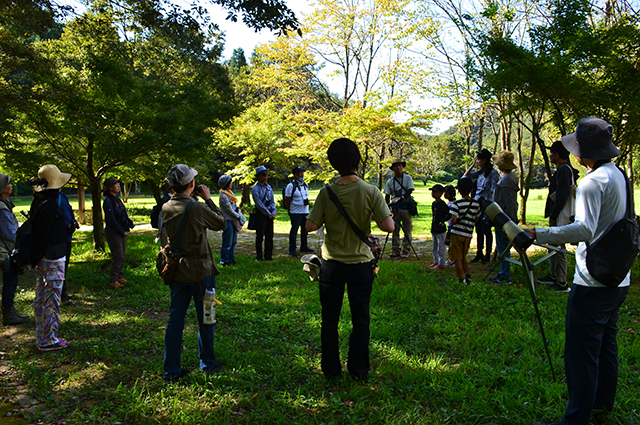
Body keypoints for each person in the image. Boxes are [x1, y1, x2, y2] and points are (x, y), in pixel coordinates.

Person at [524, 117, 630, 425]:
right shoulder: (619, 175)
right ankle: (602, 405)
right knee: (606, 344)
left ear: (585, 152)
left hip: (592, 280)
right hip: (619, 275)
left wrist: (537, 234)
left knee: (581, 352)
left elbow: (584, 229)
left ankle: (576, 419)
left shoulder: (592, 182)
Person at [305, 138, 394, 382]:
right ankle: (358, 371)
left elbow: (311, 225)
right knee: (360, 319)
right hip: (361, 266)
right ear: (357, 161)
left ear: (334, 163)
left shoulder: (326, 193)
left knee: (330, 320)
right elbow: (389, 226)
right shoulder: (371, 191)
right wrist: (373, 214)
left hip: (331, 265)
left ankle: (331, 370)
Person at [162, 164, 226, 382]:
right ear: (191, 184)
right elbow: (221, 223)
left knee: (175, 321)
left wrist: (194, 199)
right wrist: (207, 198)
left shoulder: (166, 207)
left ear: (171, 186)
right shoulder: (197, 208)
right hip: (201, 272)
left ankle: (171, 370)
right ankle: (207, 363)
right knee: (206, 318)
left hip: (177, 271)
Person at [31, 165, 72, 351]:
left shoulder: (38, 202)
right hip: (53, 258)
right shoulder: (51, 205)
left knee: (41, 296)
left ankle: (42, 335)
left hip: (42, 259)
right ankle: (49, 339)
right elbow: (47, 233)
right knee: (52, 298)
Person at [537, 141, 579, 293]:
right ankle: (553, 275)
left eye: (551, 153)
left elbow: (561, 196)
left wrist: (554, 215)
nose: (550, 156)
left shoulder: (564, 170)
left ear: (557, 154)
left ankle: (562, 282)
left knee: (559, 247)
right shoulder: (564, 170)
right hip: (559, 212)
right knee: (552, 244)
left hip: (562, 213)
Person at [0, 173, 29, 326]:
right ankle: (8, 313)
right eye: (8, 184)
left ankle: (9, 310)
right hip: (5, 251)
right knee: (10, 280)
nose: (11, 186)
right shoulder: (2, 208)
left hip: (5, 249)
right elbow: (9, 233)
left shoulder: (5, 203)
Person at [464, 148, 499, 263]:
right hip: (477, 204)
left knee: (487, 230)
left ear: (485, 160)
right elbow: (465, 178)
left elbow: (494, 190)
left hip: (487, 205)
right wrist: (472, 165)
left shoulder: (493, 173)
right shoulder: (480, 173)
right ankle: (479, 253)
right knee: (478, 229)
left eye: (478, 159)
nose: (477, 161)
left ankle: (487, 254)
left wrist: (492, 206)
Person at [489, 151, 519, 285]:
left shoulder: (507, 180)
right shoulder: (509, 177)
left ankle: (504, 275)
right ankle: (503, 272)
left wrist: (511, 220)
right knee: (503, 247)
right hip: (503, 217)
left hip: (504, 218)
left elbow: (509, 203)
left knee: (503, 248)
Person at [103, 177, 134, 289]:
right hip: (113, 233)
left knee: (122, 256)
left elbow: (123, 214)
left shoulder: (118, 200)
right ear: (110, 188)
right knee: (118, 256)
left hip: (122, 231)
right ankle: (113, 279)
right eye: (115, 184)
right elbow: (111, 220)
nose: (118, 186)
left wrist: (129, 224)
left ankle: (120, 276)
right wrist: (121, 231)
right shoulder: (108, 202)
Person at [449, 177, 481, 285]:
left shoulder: (457, 204)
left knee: (457, 258)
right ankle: (468, 278)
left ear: (460, 190)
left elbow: (453, 220)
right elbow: (477, 219)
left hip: (457, 234)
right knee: (463, 257)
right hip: (468, 234)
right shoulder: (476, 204)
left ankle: (460, 280)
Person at [384, 158, 415, 259]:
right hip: (395, 209)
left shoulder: (408, 178)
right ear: (392, 169)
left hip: (406, 207)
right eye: (396, 166)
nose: (398, 168)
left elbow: (410, 190)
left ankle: (406, 250)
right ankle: (396, 249)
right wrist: (387, 207)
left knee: (407, 229)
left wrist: (401, 197)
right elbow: (387, 195)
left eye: (400, 166)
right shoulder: (390, 181)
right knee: (394, 230)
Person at [284, 166, 314, 257]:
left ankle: (303, 246)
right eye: (300, 173)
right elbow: (287, 199)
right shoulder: (290, 186)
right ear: (295, 175)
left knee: (305, 230)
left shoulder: (305, 185)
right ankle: (292, 249)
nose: (302, 174)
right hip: (295, 212)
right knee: (294, 231)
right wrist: (289, 210)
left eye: (302, 172)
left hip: (305, 211)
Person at [251, 166, 277, 261]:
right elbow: (259, 204)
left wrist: (273, 212)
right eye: (263, 175)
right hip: (261, 215)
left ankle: (268, 256)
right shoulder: (255, 189)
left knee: (269, 236)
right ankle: (259, 256)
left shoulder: (269, 187)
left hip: (270, 214)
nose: (265, 177)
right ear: (258, 176)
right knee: (260, 236)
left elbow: (272, 202)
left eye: (266, 174)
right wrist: (268, 214)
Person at [57, 190, 79, 305]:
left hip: (68, 236)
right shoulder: (53, 197)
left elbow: (69, 210)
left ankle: (63, 292)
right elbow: (57, 215)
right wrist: (67, 224)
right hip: (60, 236)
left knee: (65, 265)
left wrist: (73, 222)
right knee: (60, 266)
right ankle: (61, 295)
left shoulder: (62, 195)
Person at [218, 174, 245, 266]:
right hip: (228, 220)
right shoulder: (223, 195)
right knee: (227, 242)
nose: (231, 184)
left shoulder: (230, 193)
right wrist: (238, 216)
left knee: (233, 241)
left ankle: (231, 258)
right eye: (230, 182)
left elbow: (234, 206)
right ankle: (224, 260)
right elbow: (228, 210)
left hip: (233, 220)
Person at [428, 184, 448, 270]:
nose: (433, 194)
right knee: (434, 247)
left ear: (441, 193)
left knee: (441, 246)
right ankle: (436, 261)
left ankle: (441, 263)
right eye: (432, 192)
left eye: (435, 192)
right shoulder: (433, 204)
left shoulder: (443, 205)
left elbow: (449, 214)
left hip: (441, 229)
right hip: (434, 227)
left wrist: (443, 221)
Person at [156, 179, 174, 247]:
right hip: (166, 228)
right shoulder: (166, 200)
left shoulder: (168, 199)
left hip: (170, 227)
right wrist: (159, 231)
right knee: (166, 248)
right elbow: (161, 217)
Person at [443, 185, 456, 268]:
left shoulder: (449, 205)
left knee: (450, 243)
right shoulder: (456, 202)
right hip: (453, 226)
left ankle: (452, 259)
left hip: (451, 226)